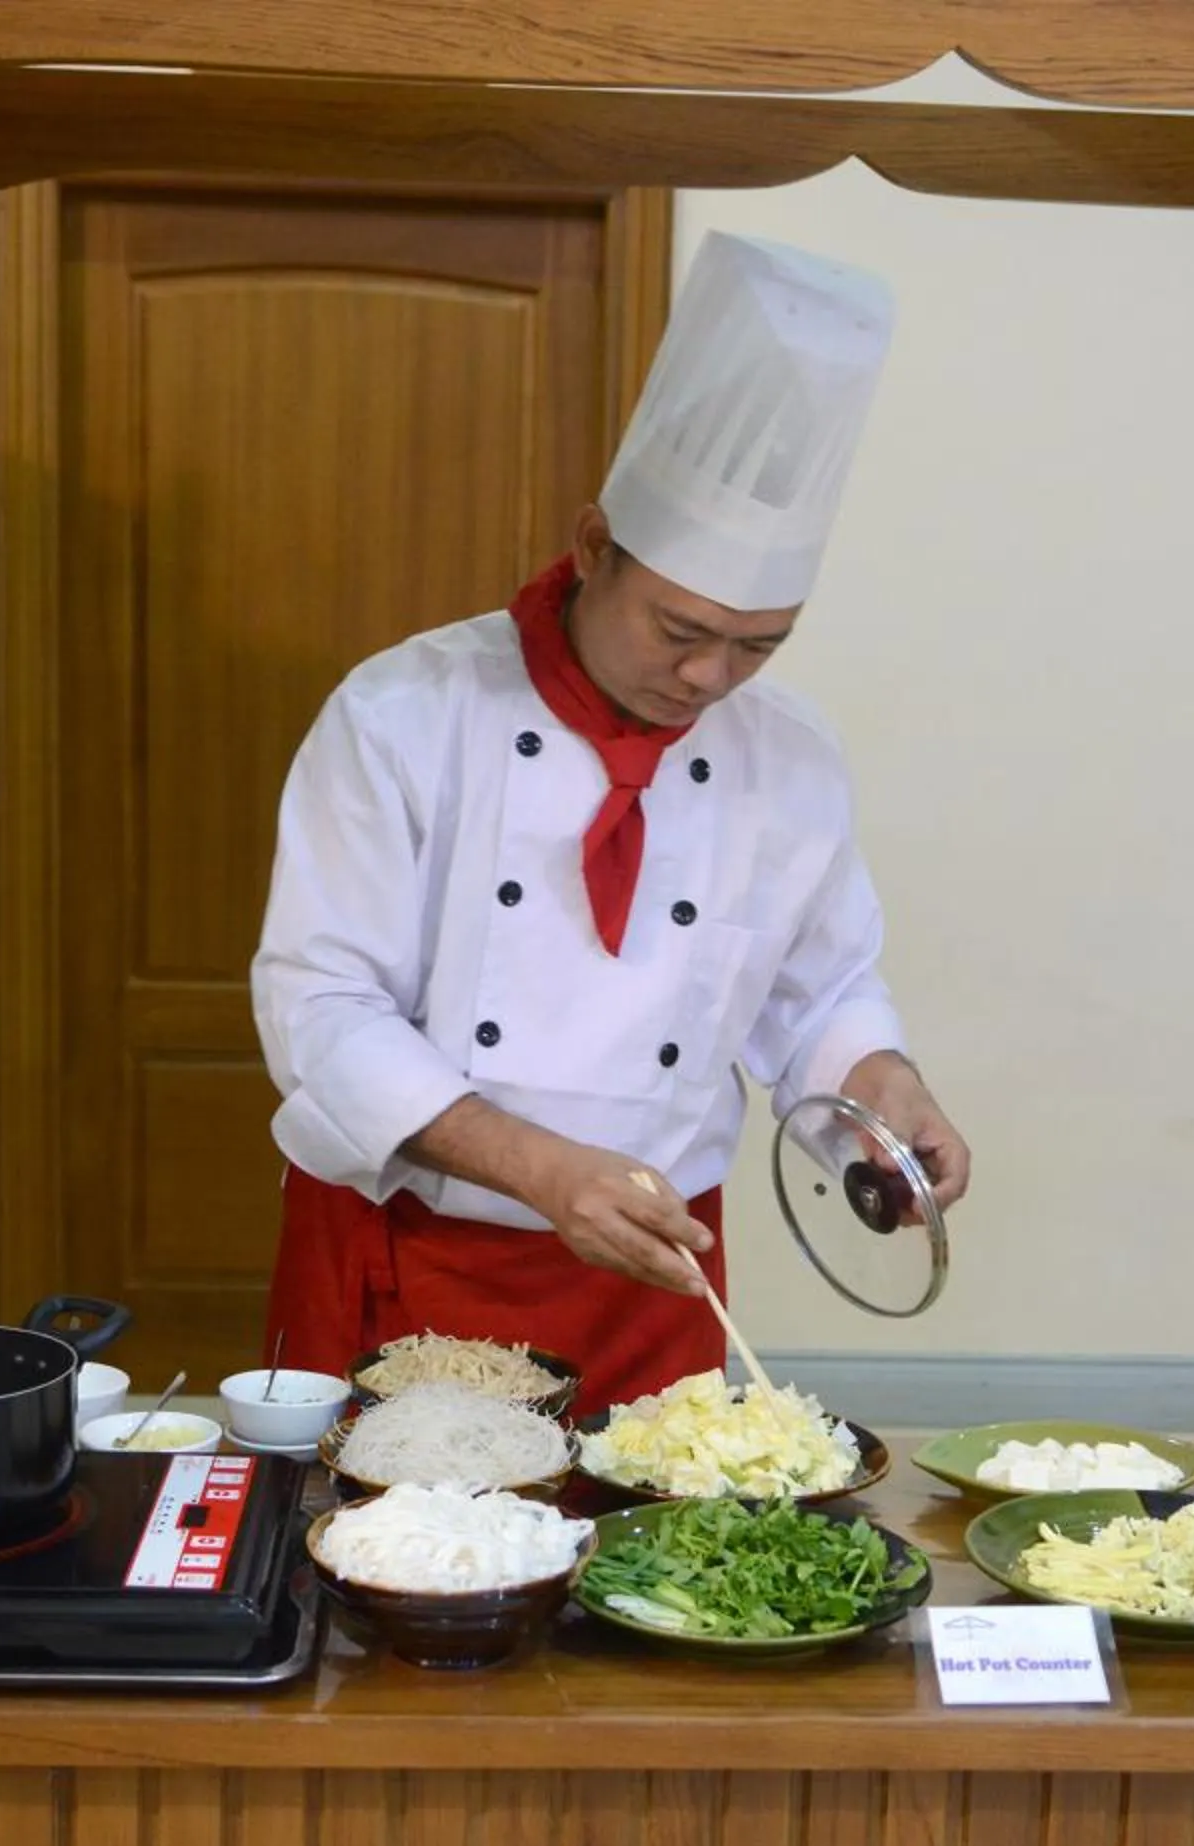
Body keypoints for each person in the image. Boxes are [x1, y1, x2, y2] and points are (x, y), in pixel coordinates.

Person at [250, 231, 970, 1413]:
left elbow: (823, 990)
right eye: (679, 630)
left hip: (656, 1277)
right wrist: (545, 1173)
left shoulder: (789, 756)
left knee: (655, 1578)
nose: (707, 678)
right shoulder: (403, 715)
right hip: (411, 1255)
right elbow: (322, 1013)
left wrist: (883, 1091)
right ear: (593, 549)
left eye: (758, 644)